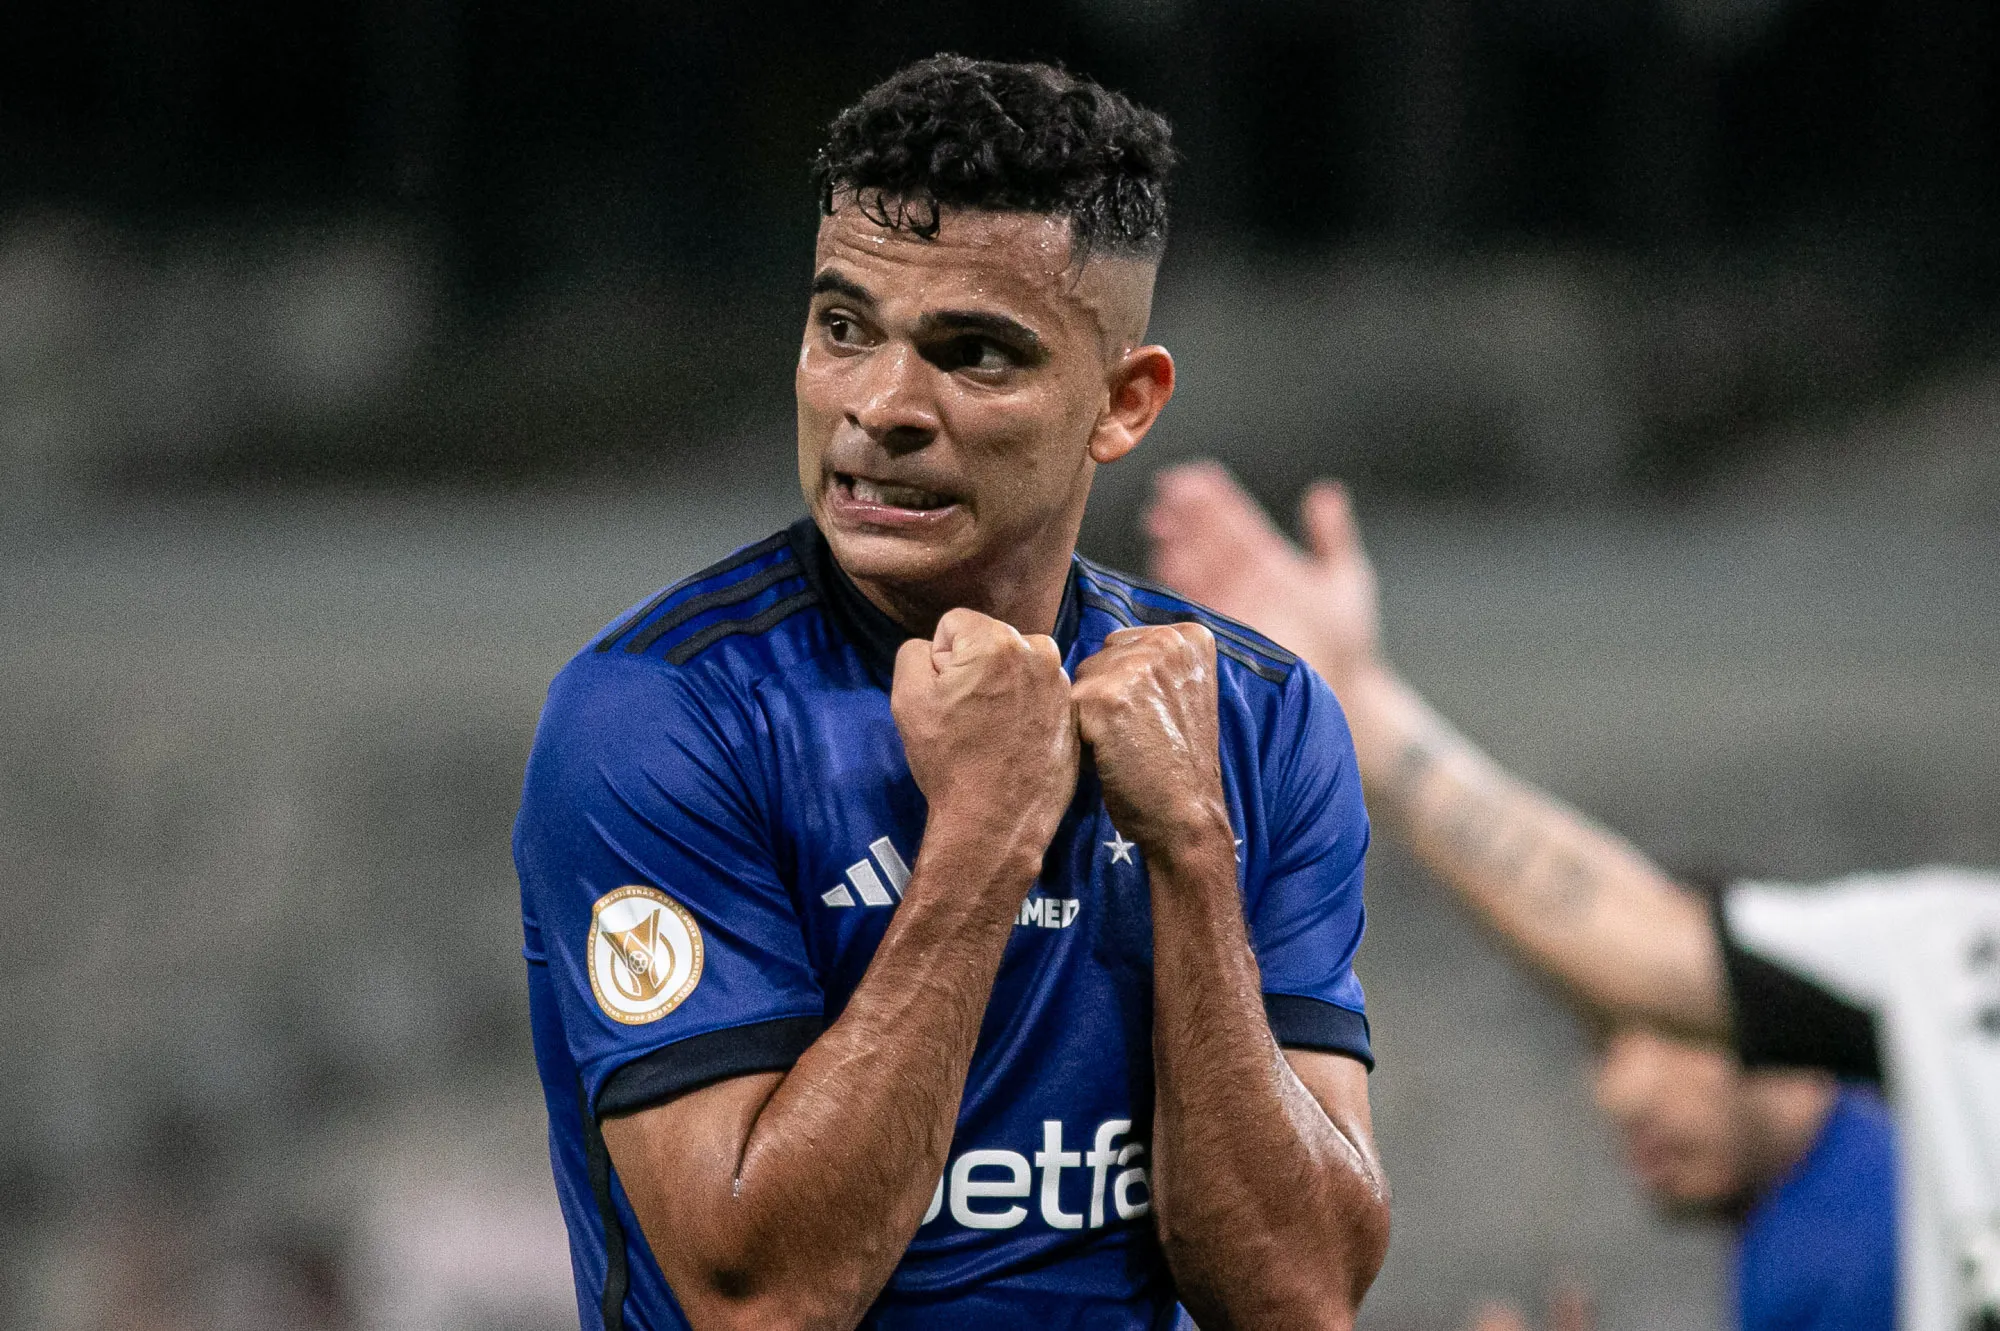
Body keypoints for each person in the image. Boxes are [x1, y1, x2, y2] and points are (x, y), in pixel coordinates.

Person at [513, 60, 1390, 1331]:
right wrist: (984, 831)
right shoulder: (660, 717)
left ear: (1121, 402)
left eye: (971, 353)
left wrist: (1192, 852)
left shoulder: (1251, 719)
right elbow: (764, 1297)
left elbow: (1299, 1294)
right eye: (842, 327)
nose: (878, 406)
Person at [1142, 463, 1995, 1331]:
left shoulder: (1858, 1232)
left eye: (1680, 1028)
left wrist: (1352, 706)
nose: (1620, 1092)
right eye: (1602, 1043)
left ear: (1794, 1042)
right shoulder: (1827, 1189)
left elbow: (1638, 939)